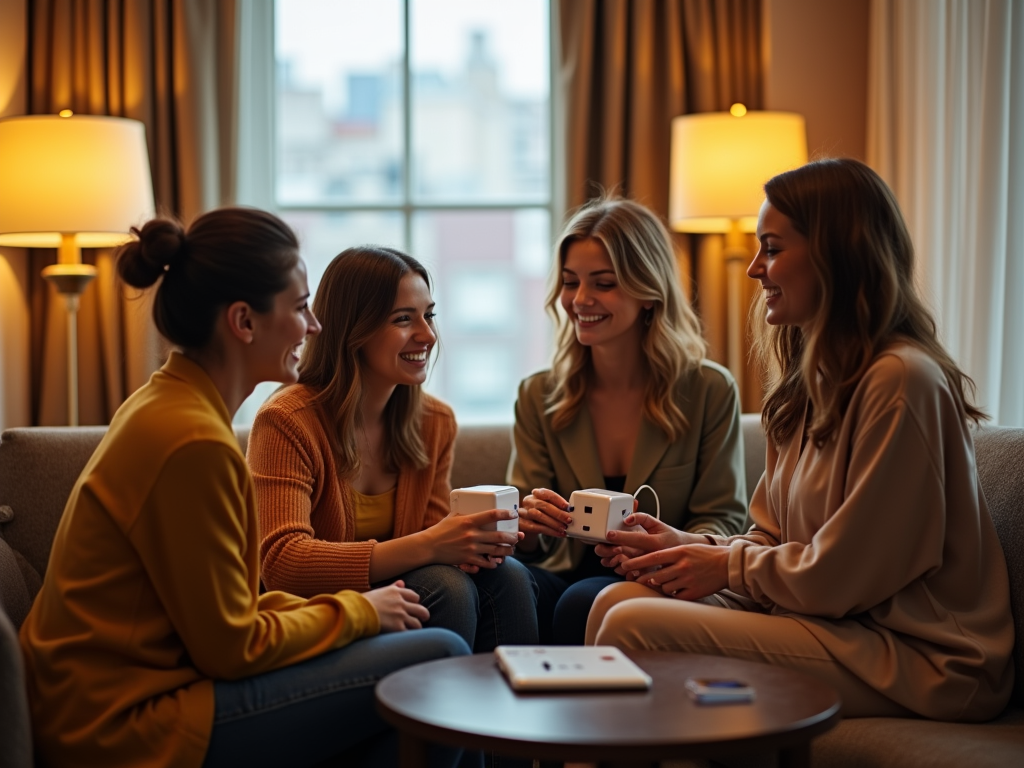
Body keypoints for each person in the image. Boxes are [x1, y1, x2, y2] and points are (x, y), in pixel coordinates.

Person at [19, 208, 473, 768]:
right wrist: (357, 612)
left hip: (148, 684)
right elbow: (231, 645)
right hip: (124, 719)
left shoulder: (169, 404)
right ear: (244, 321)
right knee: (441, 657)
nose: (314, 328)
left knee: (420, 668)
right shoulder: (193, 442)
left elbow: (227, 612)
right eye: (300, 307)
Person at [586, 158, 1014, 720]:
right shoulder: (810, 384)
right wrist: (692, 547)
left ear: (837, 255)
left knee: (632, 623)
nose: (754, 269)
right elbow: (771, 538)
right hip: (830, 623)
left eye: (772, 247)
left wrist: (725, 568)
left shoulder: (902, 380)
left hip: (922, 657)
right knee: (618, 599)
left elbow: (846, 575)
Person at [248, 245, 538, 653]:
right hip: (318, 616)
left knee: (508, 575)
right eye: (404, 319)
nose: (428, 335)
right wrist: (434, 544)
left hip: (402, 591)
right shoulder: (286, 420)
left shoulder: (434, 422)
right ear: (354, 329)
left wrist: (482, 539)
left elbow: (436, 537)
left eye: (429, 315)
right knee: (447, 588)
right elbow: (283, 565)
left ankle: (508, 711)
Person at [508, 197, 748, 644]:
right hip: (560, 575)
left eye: (603, 283)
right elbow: (526, 537)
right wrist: (526, 524)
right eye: (569, 282)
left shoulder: (708, 390)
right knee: (504, 583)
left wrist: (665, 546)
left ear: (649, 291)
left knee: (586, 599)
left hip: (653, 577)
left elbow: (723, 519)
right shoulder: (538, 394)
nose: (580, 300)